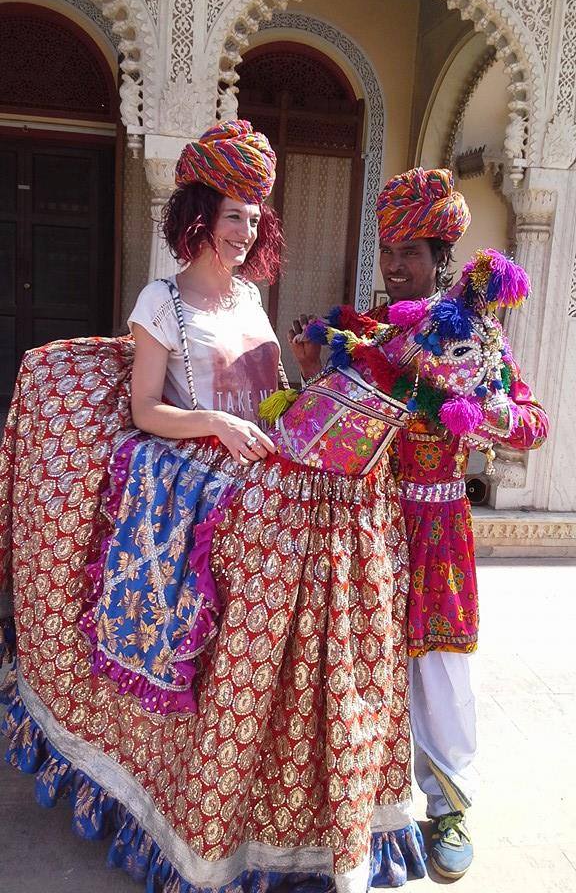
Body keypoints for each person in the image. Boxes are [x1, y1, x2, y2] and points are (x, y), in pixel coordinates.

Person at [0, 123, 426, 892]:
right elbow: (142, 412)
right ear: (198, 213)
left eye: (256, 218)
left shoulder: (252, 299)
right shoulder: (160, 301)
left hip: (256, 465)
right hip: (195, 468)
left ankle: (307, 769)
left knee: (330, 531)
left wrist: (303, 389)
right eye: (234, 214)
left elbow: (270, 403)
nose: (247, 230)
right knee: (275, 559)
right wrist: (216, 424)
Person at [290, 167, 548, 880]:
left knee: (440, 671)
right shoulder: (371, 336)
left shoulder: (476, 340)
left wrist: (475, 410)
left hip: (437, 526)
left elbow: (533, 423)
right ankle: (364, 806)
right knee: (358, 666)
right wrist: (313, 371)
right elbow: (327, 429)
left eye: (410, 251)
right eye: (388, 249)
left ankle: (450, 808)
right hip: (367, 527)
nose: (396, 264)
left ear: (443, 257)